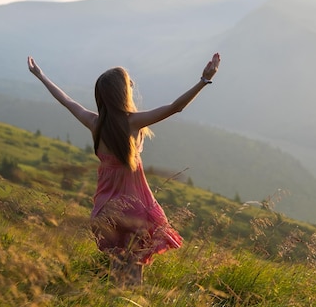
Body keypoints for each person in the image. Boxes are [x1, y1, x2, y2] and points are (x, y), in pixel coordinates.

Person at [27, 53, 220, 285]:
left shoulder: (94, 123)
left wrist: (41, 76)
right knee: (133, 277)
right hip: (134, 210)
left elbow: (67, 101)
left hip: (104, 211)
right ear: (122, 93)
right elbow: (175, 107)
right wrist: (204, 80)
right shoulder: (132, 122)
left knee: (116, 272)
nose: (132, 84)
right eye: (128, 82)